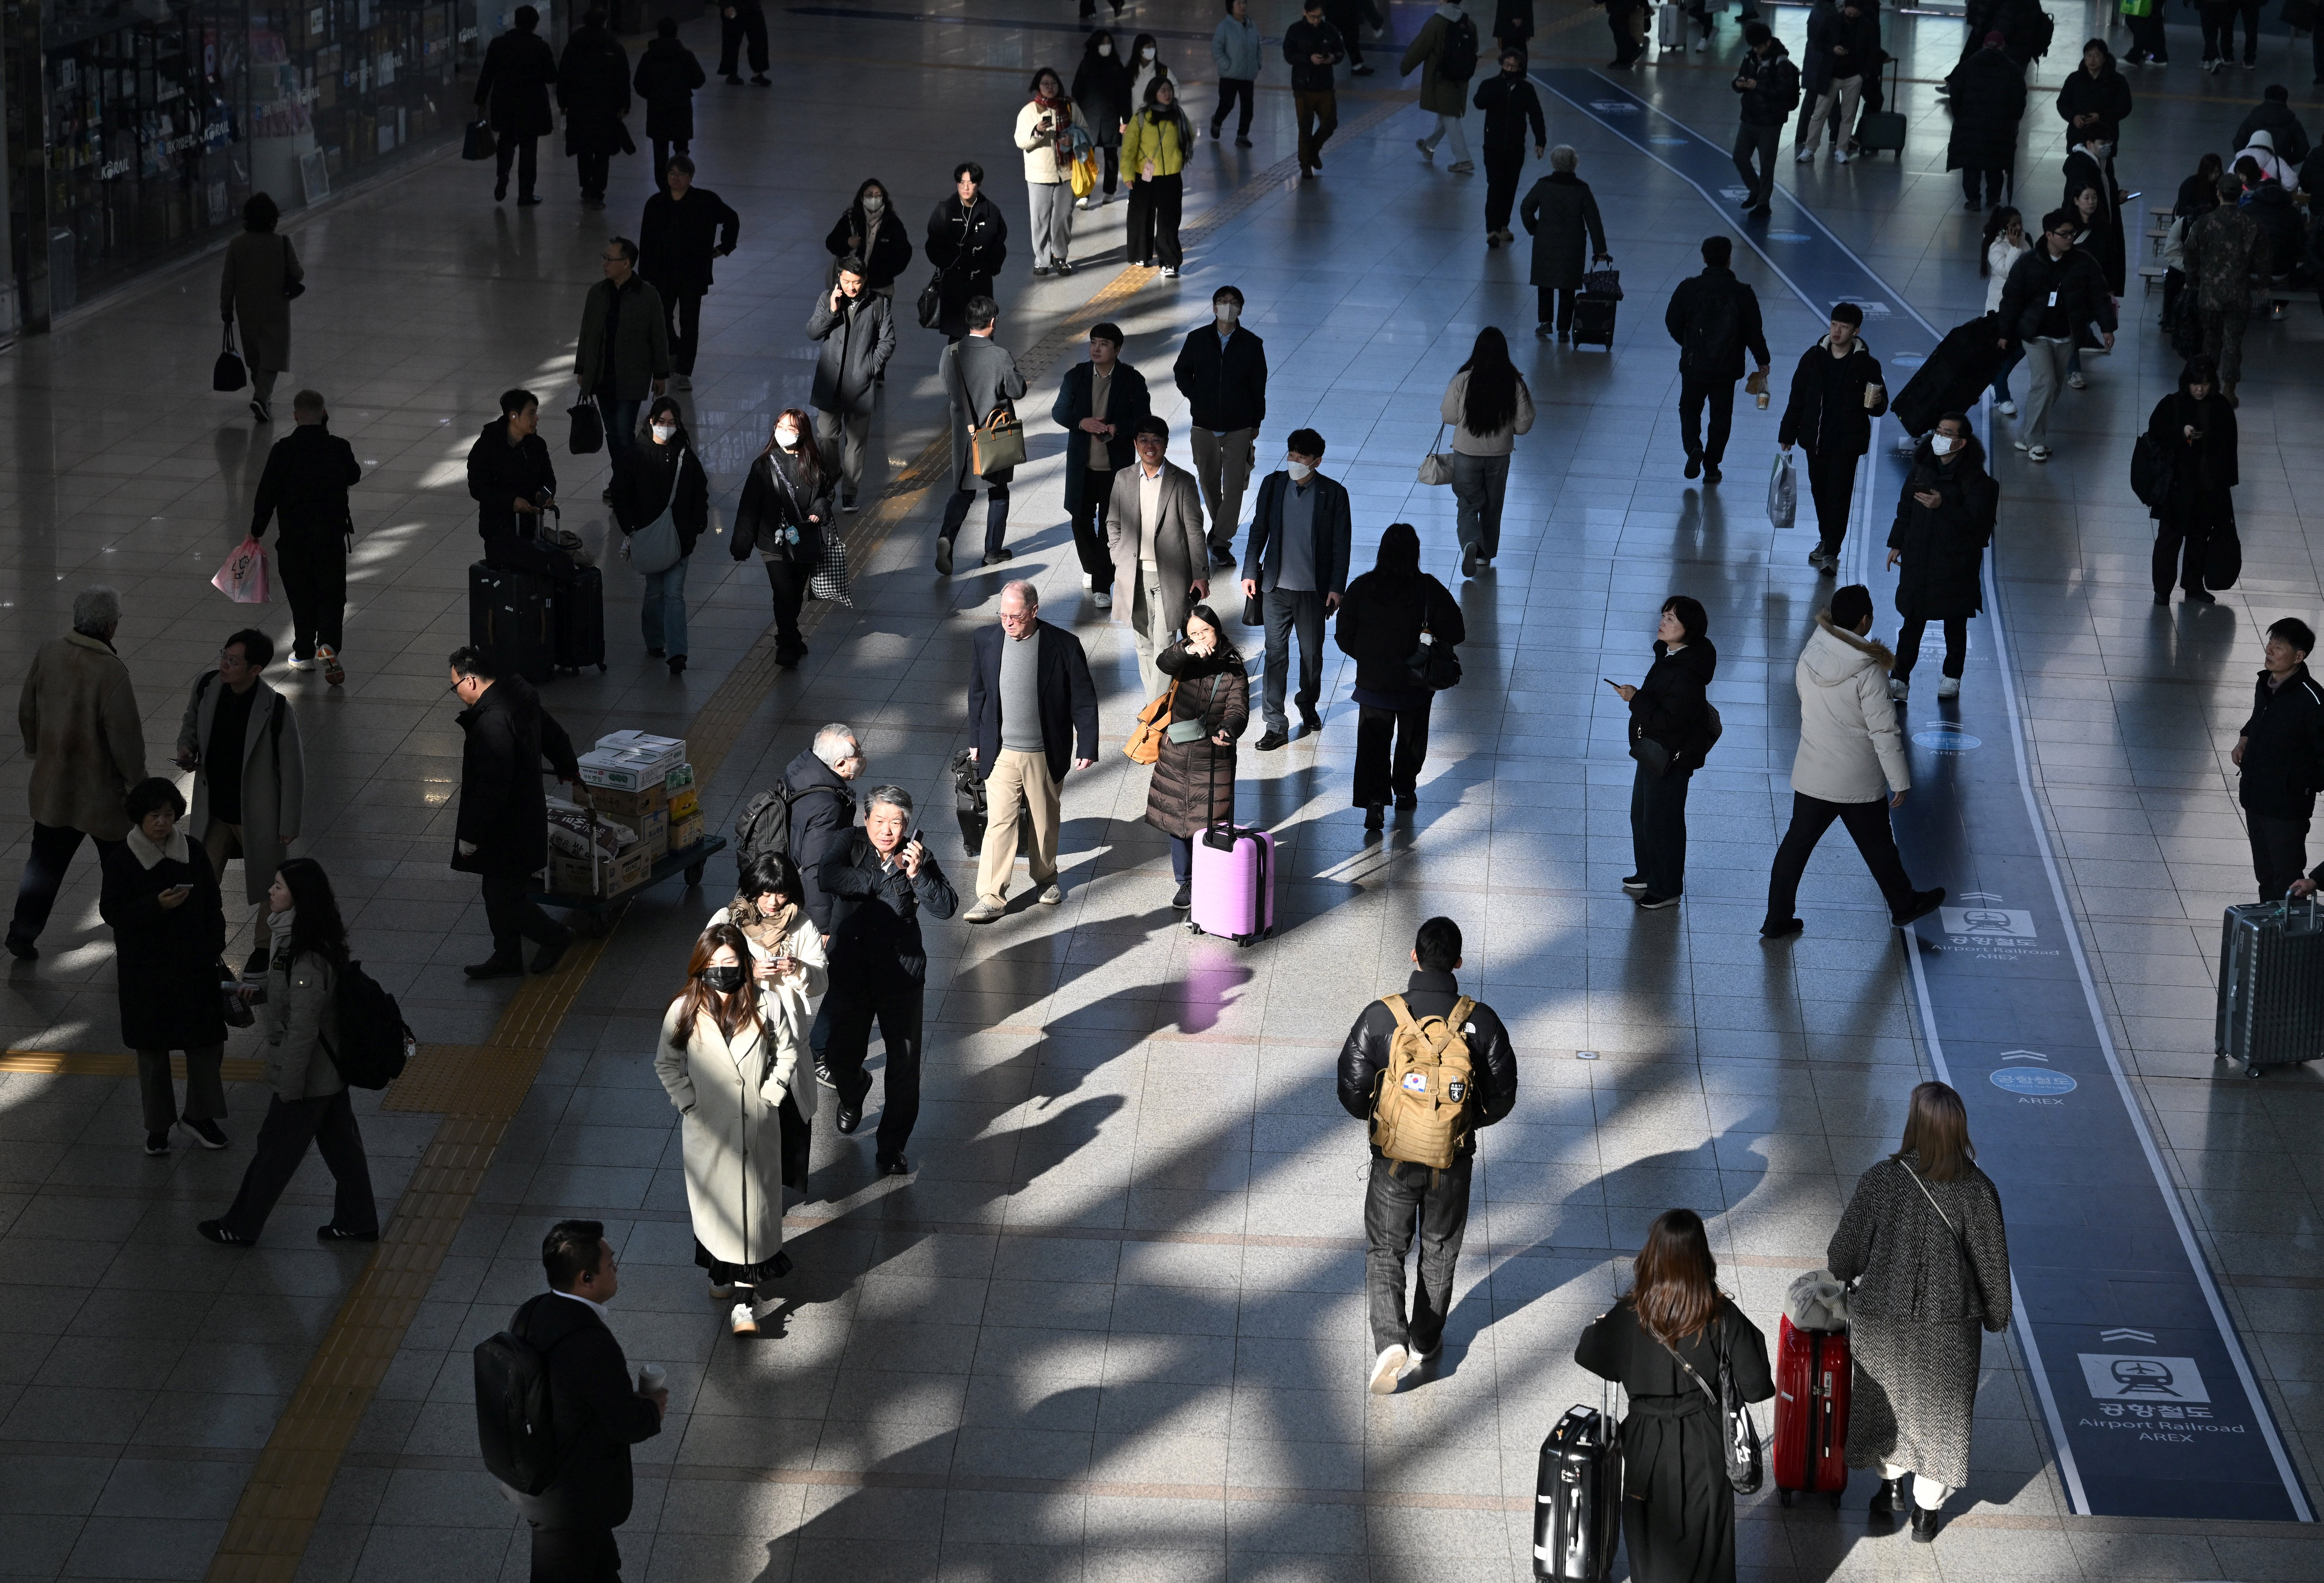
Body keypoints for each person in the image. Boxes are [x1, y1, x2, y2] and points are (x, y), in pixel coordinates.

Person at [1338, 916, 1518, 1392]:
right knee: (1439, 1250)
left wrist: (1388, 1119)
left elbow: (1351, 1089)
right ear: (1458, 962)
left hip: (1393, 1161)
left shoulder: (1380, 1017)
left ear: (1413, 956)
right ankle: (1425, 1337)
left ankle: (1390, 1342)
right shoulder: (1482, 1022)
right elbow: (1503, 1096)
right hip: (1451, 1163)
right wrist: (1458, 1124)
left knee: (1386, 1249)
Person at [1829, 1082, 2012, 1543]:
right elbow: (1992, 1265)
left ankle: (1889, 1488)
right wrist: (1996, 1316)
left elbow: (1843, 1255)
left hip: (1881, 1321)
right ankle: (1926, 1514)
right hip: (1950, 1327)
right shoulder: (1979, 1190)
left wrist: (1848, 1271)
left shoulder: (1881, 1180)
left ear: (1914, 1125)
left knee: (1885, 1405)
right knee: (1940, 1419)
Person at [1575, 1209, 1775, 1581]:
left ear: (1653, 1256)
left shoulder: (1631, 1314)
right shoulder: (1719, 1314)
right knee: (1708, 1547)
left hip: (1645, 1443)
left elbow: (1588, 1354)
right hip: (1705, 1444)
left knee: (1651, 1549)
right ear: (1702, 1257)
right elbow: (1756, 1382)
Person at [199, 858, 379, 1246]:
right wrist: (260, 992)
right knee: (343, 1148)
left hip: (309, 1074)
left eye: (279, 886)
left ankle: (241, 1225)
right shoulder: (298, 935)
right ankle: (359, 1220)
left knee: (274, 1152)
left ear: (299, 897)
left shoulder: (307, 955)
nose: (271, 892)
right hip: (329, 1071)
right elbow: (292, 994)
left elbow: (303, 1027)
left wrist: (289, 1086)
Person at [1763, 586, 1942, 941]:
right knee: (1878, 845)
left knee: (1795, 846)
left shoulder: (1811, 650)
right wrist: (1900, 780)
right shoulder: (1868, 669)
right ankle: (1904, 903)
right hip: (1856, 777)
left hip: (1814, 771)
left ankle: (1776, 918)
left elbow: (1803, 698)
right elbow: (1884, 729)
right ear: (1865, 620)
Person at [492, 1222, 666, 1581]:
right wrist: (652, 1406)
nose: (616, 1268)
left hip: (540, 1478)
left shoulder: (532, 1310)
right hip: (570, 1500)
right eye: (611, 1263)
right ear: (587, 1277)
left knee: (600, 1569)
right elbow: (627, 1423)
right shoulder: (590, 1342)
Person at [656, 921, 807, 1335]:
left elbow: (787, 1052)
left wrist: (771, 1096)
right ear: (702, 966)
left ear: (744, 963)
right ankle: (721, 1276)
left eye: (731, 962)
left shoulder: (765, 1003)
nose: (723, 971)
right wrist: (689, 1104)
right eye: (715, 963)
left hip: (755, 1128)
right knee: (718, 1215)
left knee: (752, 1216)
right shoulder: (685, 1009)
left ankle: (746, 1302)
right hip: (709, 1132)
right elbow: (666, 1063)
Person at [816, 787, 958, 1173]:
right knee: (839, 1055)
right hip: (852, 971)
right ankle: (854, 1088)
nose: (887, 829)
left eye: (896, 822)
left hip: (901, 975)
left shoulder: (917, 855)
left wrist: (917, 874)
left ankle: (892, 1145)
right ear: (866, 821)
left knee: (904, 1063)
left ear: (907, 825)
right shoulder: (850, 841)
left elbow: (946, 907)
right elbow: (828, 875)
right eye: (879, 821)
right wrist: (881, 881)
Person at [8, 587, 146, 962]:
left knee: (44, 864)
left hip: (55, 786)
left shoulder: (50, 652)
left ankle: (22, 932)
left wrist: (38, 750)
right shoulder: (110, 670)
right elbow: (126, 736)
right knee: (119, 864)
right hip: (103, 794)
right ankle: (127, 927)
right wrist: (137, 784)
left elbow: (27, 707)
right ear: (111, 626)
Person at [98, 778, 227, 1158]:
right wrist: (156, 906)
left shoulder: (192, 851)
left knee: (206, 1042)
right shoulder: (124, 859)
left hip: (194, 964)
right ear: (140, 817)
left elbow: (213, 903)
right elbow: (113, 912)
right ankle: (158, 1127)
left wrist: (213, 944)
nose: (162, 822)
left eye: (169, 815)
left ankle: (200, 1115)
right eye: (155, 815)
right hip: (146, 973)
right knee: (152, 1052)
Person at [963, 581, 1100, 923]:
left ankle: (1045, 879)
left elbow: (1083, 699)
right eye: (1003, 615)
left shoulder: (1064, 645)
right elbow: (977, 693)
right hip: (1001, 751)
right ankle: (991, 896)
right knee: (1000, 822)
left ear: (1034, 611)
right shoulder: (985, 639)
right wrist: (976, 738)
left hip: (1043, 751)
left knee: (1044, 821)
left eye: (1016, 616)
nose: (1007, 622)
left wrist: (1087, 744)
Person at [173, 629, 305, 972]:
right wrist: (187, 748)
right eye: (224, 655)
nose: (224, 664)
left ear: (255, 669)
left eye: (234, 661)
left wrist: (289, 821)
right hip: (215, 809)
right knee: (201, 877)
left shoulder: (275, 708)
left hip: (258, 813)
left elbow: (292, 769)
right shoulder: (207, 687)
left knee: (269, 885)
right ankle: (199, 939)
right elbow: (191, 722)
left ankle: (264, 947)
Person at [448, 646, 579, 980]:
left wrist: (470, 835)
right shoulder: (519, 699)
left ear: (472, 681)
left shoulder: (492, 721)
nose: (457, 694)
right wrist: (567, 765)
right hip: (521, 817)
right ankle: (506, 955)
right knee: (497, 891)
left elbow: (493, 785)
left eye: (456, 686)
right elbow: (552, 732)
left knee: (504, 896)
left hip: (508, 826)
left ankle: (555, 936)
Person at [707, 856, 827, 1219]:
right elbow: (703, 971)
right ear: (751, 890)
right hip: (739, 1040)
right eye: (765, 893)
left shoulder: (802, 925)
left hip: (786, 1040)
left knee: (786, 1120)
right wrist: (746, 971)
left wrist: (798, 969)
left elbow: (821, 982)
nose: (773, 902)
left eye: (781, 893)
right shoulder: (727, 922)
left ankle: (770, 1192)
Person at [1334, 523, 1464, 830]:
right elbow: (1457, 631)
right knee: (1411, 740)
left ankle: (1375, 802)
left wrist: (1368, 657)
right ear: (1416, 553)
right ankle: (1404, 790)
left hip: (1373, 684)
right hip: (1416, 683)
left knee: (1373, 743)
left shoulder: (1362, 587)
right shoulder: (1428, 588)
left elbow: (1343, 636)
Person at [1242, 427, 1352, 747]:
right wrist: (1250, 570)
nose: (1295, 461)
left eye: (1302, 457)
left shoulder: (1333, 494)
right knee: (1275, 655)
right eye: (1292, 454)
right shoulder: (1273, 485)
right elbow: (1258, 528)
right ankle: (1275, 724)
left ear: (1317, 461)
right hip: (1275, 589)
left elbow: (1340, 544)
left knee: (1311, 657)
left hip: (1313, 593)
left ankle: (1307, 703)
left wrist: (1336, 587)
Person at [249, 389, 360, 684]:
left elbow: (267, 494)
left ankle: (303, 653)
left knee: (301, 596)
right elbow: (354, 475)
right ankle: (328, 644)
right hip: (330, 537)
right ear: (325, 414)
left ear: (296, 415)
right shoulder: (338, 447)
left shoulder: (283, 450)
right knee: (332, 594)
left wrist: (256, 530)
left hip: (294, 540)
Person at [1612, 596, 1716, 908]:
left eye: (1671, 618)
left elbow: (1671, 720)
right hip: (1653, 750)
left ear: (1688, 629)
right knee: (1642, 814)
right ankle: (1648, 872)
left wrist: (1636, 699)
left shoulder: (1687, 673)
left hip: (1671, 756)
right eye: (1664, 615)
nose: (1663, 621)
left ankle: (1666, 887)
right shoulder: (1670, 654)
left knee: (1663, 821)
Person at [1886, 414, 1997, 697]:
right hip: (1919, 556)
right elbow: (1905, 509)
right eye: (1938, 431)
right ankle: (1899, 678)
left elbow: (1974, 523)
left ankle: (1952, 676)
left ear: (1961, 443)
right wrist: (1896, 543)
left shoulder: (1977, 482)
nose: (1940, 437)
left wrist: (1942, 505)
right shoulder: (1921, 470)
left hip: (1955, 563)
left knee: (1954, 621)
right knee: (1912, 619)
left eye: (1948, 433)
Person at [1148, 607, 1250, 909]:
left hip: (1213, 756)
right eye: (1193, 632)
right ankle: (1186, 883)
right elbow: (1163, 662)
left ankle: (1210, 876)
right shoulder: (1183, 661)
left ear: (1217, 629)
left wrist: (1229, 728)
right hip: (1177, 754)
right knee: (1177, 822)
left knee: (1210, 820)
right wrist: (1187, 649)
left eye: (1205, 630)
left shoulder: (1233, 668)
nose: (1201, 637)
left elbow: (1238, 709)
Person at [1996, 208, 2116, 463]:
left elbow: (2099, 295)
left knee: (2053, 389)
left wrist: (2107, 328)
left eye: (2072, 233)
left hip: (2066, 336)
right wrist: (2004, 333)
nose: (2070, 238)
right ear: (2049, 235)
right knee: (2045, 384)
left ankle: (2026, 436)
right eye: (2064, 234)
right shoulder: (2028, 263)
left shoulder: (2083, 262)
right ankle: (2036, 442)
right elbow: (2011, 300)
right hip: (2036, 335)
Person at [1778, 303, 1887, 572]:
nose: (1837, 330)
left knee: (1838, 496)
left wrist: (1872, 401)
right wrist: (1787, 433)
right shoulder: (1813, 358)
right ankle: (1827, 540)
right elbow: (1798, 398)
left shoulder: (1867, 365)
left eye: (1844, 327)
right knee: (1819, 494)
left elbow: (1880, 407)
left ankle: (1832, 551)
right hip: (1815, 440)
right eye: (1834, 324)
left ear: (1856, 331)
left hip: (1846, 444)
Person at [1107, 418, 1211, 700]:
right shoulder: (1124, 478)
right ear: (1135, 443)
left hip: (1171, 576)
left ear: (1165, 444)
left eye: (1156, 440)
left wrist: (1201, 573)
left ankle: (1153, 710)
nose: (1149, 446)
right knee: (1143, 643)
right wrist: (1118, 555)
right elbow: (1112, 523)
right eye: (1143, 440)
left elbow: (1194, 530)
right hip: (1134, 574)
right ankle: (1158, 703)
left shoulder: (1183, 481)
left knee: (1165, 643)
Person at [1053, 323, 1151, 608]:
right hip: (1082, 467)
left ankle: (1101, 585)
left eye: (1103, 344)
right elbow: (1059, 411)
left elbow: (1142, 418)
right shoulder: (1077, 376)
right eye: (1093, 342)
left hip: (1115, 468)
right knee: (1080, 520)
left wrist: (1117, 428)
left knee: (1110, 525)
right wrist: (1082, 422)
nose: (1096, 349)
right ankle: (1095, 567)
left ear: (1117, 350)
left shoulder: (1132, 380)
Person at [1664, 236, 1771, 484]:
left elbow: (1672, 321)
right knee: (1721, 416)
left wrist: (1689, 344)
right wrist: (1762, 360)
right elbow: (1753, 331)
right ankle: (1712, 467)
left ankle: (1693, 448)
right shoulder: (1743, 293)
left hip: (1694, 365)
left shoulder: (1689, 288)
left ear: (1704, 258)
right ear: (1729, 259)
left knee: (1689, 409)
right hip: (1727, 367)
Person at [612, 397, 707, 675]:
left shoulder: (684, 456)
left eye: (672, 423)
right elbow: (621, 494)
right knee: (655, 592)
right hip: (648, 537)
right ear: (651, 422)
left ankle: (677, 652)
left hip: (679, 540)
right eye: (661, 422)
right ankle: (655, 640)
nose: (666, 428)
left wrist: (696, 526)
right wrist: (632, 527)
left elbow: (699, 492)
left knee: (674, 595)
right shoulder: (635, 455)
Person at [1173, 287, 1267, 565]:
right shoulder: (1197, 339)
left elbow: (1258, 387)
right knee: (1209, 481)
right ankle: (1218, 529)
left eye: (1233, 303)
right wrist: (1196, 395)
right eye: (1222, 302)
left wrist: (1255, 422)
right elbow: (1181, 371)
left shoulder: (1252, 344)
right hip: (1203, 425)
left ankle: (1222, 540)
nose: (1228, 306)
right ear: (1214, 308)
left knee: (1235, 484)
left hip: (1239, 426)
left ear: (1241, 309)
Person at [731, 411, 829, 669]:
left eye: (791, 429)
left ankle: (792, 634)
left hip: (804, 539)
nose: (784, 432)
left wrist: (820, 507)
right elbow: (749, 507)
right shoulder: (764, 465)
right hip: (772, 541)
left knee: (795, 592)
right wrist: (742, 544)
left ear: (803, 433)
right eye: (780, 426)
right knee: (783, 591)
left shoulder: (815, 463)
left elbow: (827, 493)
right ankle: (787, 644)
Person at [937, 296, 1026, 575]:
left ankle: (947, 538)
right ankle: (992, 551)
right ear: (993, 322)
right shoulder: (1000, 355)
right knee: (998, 494)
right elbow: (1017, 390)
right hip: (994, 436)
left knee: (963, 493)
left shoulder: (950, 353)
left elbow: (948, 389)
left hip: (964, 438)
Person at [2237, 620, 2324, 901]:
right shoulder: (2265, 684)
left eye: (2279, 646)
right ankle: (2268, 940)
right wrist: (2244, 740)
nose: (2269, 650)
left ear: (2298, 657)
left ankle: (2291, 942)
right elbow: (2257, 719)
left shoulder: (2313, 700)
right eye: (2270, 643)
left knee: (2287, 882)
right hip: (2255, 798)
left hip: (2287, 809)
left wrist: (2300, 785)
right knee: (2265, 876)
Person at [636, 157, 739, 392]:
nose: (676, 178)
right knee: (662, 318)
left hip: (692, 274)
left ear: (691, 177)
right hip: (663, 273)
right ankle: (674, 351)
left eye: (681, 174)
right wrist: (644, 274)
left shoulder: (704, 201)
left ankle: (684, 370)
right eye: (672, 173)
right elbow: (647, 240)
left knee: (689, 322)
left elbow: (731, 219)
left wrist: (725, 247)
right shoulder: (656, 203)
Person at [1440, 328, 1534, 574]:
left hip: (1466, 453)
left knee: (1468, 503)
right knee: (1493, 506)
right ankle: (1485, 556)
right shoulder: (1514, 383)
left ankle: (1471, 543)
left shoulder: (1462, 380)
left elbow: (1449, 415)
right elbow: (1523, 425)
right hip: (1499, 455)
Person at [576, 237, 671, 481]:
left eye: (610, 259)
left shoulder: (647, 295)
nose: (605, 264)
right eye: (604, 258)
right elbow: (587, 332)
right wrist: (583, 368)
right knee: (612, 432)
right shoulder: (597, 293)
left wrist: (661, 373)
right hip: (602, 376)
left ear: (627, 263)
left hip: (632, 377)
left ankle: (625, 482)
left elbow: (659, 335)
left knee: (623, 431)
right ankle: (625, 480)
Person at [2146, 356, 2238, 607]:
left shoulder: (2220, 407)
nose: (2199, 389)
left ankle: (2193, 586)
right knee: (2170, 539)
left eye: (2205, 384)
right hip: (2178, 486)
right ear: (2186, 383)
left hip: (2209, 486)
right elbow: (2154, 433)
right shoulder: (2172, 404)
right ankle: (2162, 590)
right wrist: (2180, 433)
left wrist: (2227, 483)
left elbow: (2230, 446)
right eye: (2195, 384)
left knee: (2199, 538)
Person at [807, 256, 895, 510]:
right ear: (839, 279)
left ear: (865, 280)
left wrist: (870, 367)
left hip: (860, 385)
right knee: (826, 436)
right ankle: (833, 472)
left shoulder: (878, 304)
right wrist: (832, 311)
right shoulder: (827, 299)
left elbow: (888, 341)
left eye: (856, 282)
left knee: (856, 443)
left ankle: (850, 491)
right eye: (845, 281)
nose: (851, 287)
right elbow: (812, 332)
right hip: (829, 383)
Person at [220, 193, 300, 424]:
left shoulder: (237, 245)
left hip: (247, 309)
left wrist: (226, 308)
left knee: (255, 356)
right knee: (273, 357)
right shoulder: (282, 243)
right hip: (276, 309)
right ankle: (262, 398)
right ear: (273, 218)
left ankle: (262, 397)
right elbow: (298, 274)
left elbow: (228, 281)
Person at [780, 725, 864, 937]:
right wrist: (823, 928)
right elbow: (817, 868)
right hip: (802, 898)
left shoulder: (801, 773)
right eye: (858, 754)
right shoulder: (828, 806)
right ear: (840, 764)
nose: (862, 757)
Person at [1519, 146, 1610, 341]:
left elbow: (1526, 208)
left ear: (1553, 162)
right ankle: (1563, 330)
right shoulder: (1582, 189)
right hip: (1572, 246)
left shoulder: (1543, 185)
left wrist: (1535, 230)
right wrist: (1600, 249)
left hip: (1546, 243)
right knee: (1567, 287)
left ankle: (1545, 323)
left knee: (1545, 283)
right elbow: (1594, 220)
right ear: (1574, 163)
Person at [475, 6, 556, 206]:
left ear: (515, 21)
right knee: (529, 148)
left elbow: (487, 75)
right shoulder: (541, 48)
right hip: (532, 105)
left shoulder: (498, 45)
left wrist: (480, 100)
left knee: (507, 139)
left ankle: (503, 174)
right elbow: (551, 77)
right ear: (535, 25)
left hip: (505, 102)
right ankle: (525, 194)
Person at [1016, 68, 1089, 277]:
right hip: (1039, 175)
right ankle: (1041, 259)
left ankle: (1060, 257)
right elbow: (1021, 141)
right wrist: (1037, 132)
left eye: (1053, 83)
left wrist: (1073, 139)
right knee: (1040, 219)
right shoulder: (1030, 111)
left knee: (1063, 217)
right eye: (1045, 84)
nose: (1050, 87)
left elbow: (1086, 130)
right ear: (1037, 87)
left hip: (1066, 172)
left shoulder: (1070, 106)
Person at [467, 388, 558, 554]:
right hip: (498, 528)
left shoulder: (537, 445)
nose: (537, 418)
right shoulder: (487, 446)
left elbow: (548, 479)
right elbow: (478, 488)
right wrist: (512, 501)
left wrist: (545, 494)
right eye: (531, 413)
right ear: (514, 416)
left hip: (530, 526)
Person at [556, 10, 631, 209]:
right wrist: (625, 105)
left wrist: (562, 102)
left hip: (579, 105)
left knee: (584, 147)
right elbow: (623, 79)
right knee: (603, 150)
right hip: (606, 107)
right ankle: (598, 191)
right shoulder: (614, 48)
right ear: (605, 23)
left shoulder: (574, 45)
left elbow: (564, 75)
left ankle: (586, 186)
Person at [925, 162, 1008, 341]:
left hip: (981, 286)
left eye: (971, 183)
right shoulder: (944, 210)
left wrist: (990, 268)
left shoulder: (991, 212)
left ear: (979, 184)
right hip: (954, 287)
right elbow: (933, 243)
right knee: (956, 339)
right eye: (962, 183)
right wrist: (947, 264)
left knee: (983, 335)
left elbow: (999, 245)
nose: (966, 187)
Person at [1946, 31, 2025, 212]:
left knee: (1971, 164)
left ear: (1983, 45)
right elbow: (2019, 99)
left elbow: (1955, 94)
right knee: (1995, 164)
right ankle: (1993, 198)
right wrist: (2013, 119)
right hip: (2000, 127)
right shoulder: (2012, 69)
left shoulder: (1967, 66)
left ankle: (1973, 200)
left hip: (1970, 126)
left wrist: (1961, 116)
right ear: (2003, 46)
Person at [1474, 49, 1546, 245]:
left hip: (1515, 148)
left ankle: (1503, 225)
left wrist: (1541, 141)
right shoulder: (1490, 85)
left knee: (1510, 188)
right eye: (1507, 65)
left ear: (1520, 68)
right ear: (1501, 65)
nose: (1510, 69)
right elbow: (1478, 102)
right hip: (1493, 147)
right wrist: (1497, 90)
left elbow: (1536, 114)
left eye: (1514, 67)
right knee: (1495, 186)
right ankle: (1493, 230)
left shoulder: (1526, 90)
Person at [1123, 77, 1192, 277]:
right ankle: (1140, 254)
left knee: (1168, 221)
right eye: (1163, 91)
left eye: (1169, 90)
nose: (1168, 94)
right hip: (1144, 176)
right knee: (1140, 217)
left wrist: (1177, 155)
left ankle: (1169, 262)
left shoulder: (1178, 114)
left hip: (1170, 175)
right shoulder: (1142, 117)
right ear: (1154, 94)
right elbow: (1129, 148)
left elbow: (1189, 137)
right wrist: (1128, 174)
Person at [1403, 0, 1480, 175]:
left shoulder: (1437, 22)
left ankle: (1464, 159)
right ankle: (1429, 146)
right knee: (1447, 111)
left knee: (1449, 115)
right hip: (1461, 76)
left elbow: (1420, 47)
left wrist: (1405, 67)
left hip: (1441, 76)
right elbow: (1474, 48)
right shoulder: (1469, 23)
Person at [1731, 23, 1799, 217]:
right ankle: (1756, 190)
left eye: (1759, 47)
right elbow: (1741, 78)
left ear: (1768, 42)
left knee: (1767, 163)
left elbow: (1784, 92)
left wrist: (1757, 86)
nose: (1756, 50)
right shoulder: (1750, 56)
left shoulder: (1781, 61)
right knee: (1739, 156)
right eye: (1753, 46)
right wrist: (1738, 84)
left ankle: (1763, 204)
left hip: (1771, 121)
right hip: (1750, 117)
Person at [1795, 0, 1874, 164]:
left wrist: (1862, 74)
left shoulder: (1866, 26)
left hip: (1854, 77)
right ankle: (1810, 149)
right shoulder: (1831, 21)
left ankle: (1841, 149)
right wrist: (1833, 49)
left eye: (1855, 15)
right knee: (1820, 113)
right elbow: (1817, 42)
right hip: (1831, 76)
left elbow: (1871, 50)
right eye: (1849, 14)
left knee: (1848, 115)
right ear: (1844, 8)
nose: (1851, 17)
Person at [632, 17, 703, 189]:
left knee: (660, 149)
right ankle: (681, 183)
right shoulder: (685, 56)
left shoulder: (649, 56)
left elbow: (639, 83)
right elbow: (699, 80)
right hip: (681, 109)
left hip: (658, 109)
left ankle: (663, 187)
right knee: (681, 148)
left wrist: (652, 95)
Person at [2061, 133, 2129, 306]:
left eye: (2095, 198)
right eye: (2102, 141)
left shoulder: (2103, 229)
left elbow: (2109, 260)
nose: (2092, 202)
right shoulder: (2068, 231)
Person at [1285, 0, 1348, 179]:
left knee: (1330, 123)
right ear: (1305, 13)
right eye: (1313, 17)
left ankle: (1312, 152)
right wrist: (1308, 58)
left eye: (1320, 17)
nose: (1316, 21)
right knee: (1305, 127)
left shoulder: (1330, 30)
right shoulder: (1295, 31)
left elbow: (1340, 51)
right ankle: (1305, 165)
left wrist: (1332, 59)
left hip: (1325, 85)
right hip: (1303, 86)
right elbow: (1289, 54)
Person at [824, 178, 914, 298]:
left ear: (883, 199)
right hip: (851, 287)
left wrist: (886, 274)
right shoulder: (851, 220)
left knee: (879, 317)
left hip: (881, 289)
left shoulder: (892, 223)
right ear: (862, 199)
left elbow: (904, 253)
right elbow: (831, 243)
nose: (874, 199)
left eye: (878, 196)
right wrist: (848, 244)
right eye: (869, 195)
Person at [1980, 208, 2030, 415]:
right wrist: (2015, 247)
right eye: (2014, 225)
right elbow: (2008, 272)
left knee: (2023, 347)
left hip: (2023, 306)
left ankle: (1996, 380)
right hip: (2000, 308)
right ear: (2004, 228)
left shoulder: (2024, 239)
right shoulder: (1995, 246)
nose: (2018, 228)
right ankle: (2002, 395)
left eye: (2020, 223)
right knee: (2003, 353)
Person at [1073, 32, 1132, 205]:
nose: (1106, 46)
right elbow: (1077, 91)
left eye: (1109, 43)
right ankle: (1085, 193)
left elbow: (1124, 95)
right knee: (1085, 156)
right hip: (1088, 118)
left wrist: (1126, 120)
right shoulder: (1086, 66)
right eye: (1103, 43)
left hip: (1110, 119)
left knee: (1111, 155)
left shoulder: (1117, 67)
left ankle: (1110, 191)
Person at [2056, 37, 2131, 151]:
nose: (2092, 59)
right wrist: (2074, 117)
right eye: (2088, 55)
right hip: (2078, 136)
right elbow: (2062, 103)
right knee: (2077, 167)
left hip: (2105, 136)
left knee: (2104, 167)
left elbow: (2125, 107)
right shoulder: (2075, 79)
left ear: (2104, 58)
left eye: (2096, 56)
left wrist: (2102, 118)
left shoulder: (2117, 81)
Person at [1211, 0, 1261, 146]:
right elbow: (1217, 49)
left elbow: (1259, 46)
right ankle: (1217, 121)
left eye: (1244, 3)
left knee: (1248, 107)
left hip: (1247, 75)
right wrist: (1226, 65)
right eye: (1239, 3)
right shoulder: (1224, 27)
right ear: (1231, 7)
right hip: (1230, 75)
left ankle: (1243, 135)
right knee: (1227, 104)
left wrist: (1258, 63)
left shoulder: (1252, 26)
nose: (1243, 6)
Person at [2235, 85, 2311, 168]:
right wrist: (2288, 162)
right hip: (2281, 168)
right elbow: (2303, 148)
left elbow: (2238, 142)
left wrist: (2248, 161)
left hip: (2254, 167)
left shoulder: (2253, 119)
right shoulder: (2292, 123)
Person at [718, 0, 770, 85]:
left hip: (752, 7)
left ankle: (758, 72)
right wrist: (727, 5)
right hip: (735, 8)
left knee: (759, 39)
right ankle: (732, 73)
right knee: (732, 41)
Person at [1325, 0, 1375, 75]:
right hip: (1338, 9)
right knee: (1329, 37)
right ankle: (1321, 63)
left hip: (1347, 9)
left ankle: (1357, 65)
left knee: (1352, 37)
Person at [1128, 32, 1172, 116]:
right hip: (1134, 120)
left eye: (1153, 47)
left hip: (1157, 120)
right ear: (1139, 50)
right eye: (1148, 47)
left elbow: (1175, 91)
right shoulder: (1129, 72)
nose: (1152, 50)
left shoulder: (1162, 71)